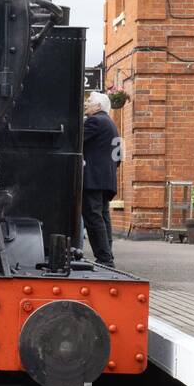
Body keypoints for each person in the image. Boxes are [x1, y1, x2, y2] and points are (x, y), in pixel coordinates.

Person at [82, 91, 120, 267]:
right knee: (103, 216)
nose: (86, 103)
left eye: (89, 101)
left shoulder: (94, 121)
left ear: (98, 106)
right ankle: (107, 254)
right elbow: (119, 155)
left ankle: (104, 257)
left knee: (93, 216)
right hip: (107, 179)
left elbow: (75, 141)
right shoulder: (112, 124)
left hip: (94, 178)